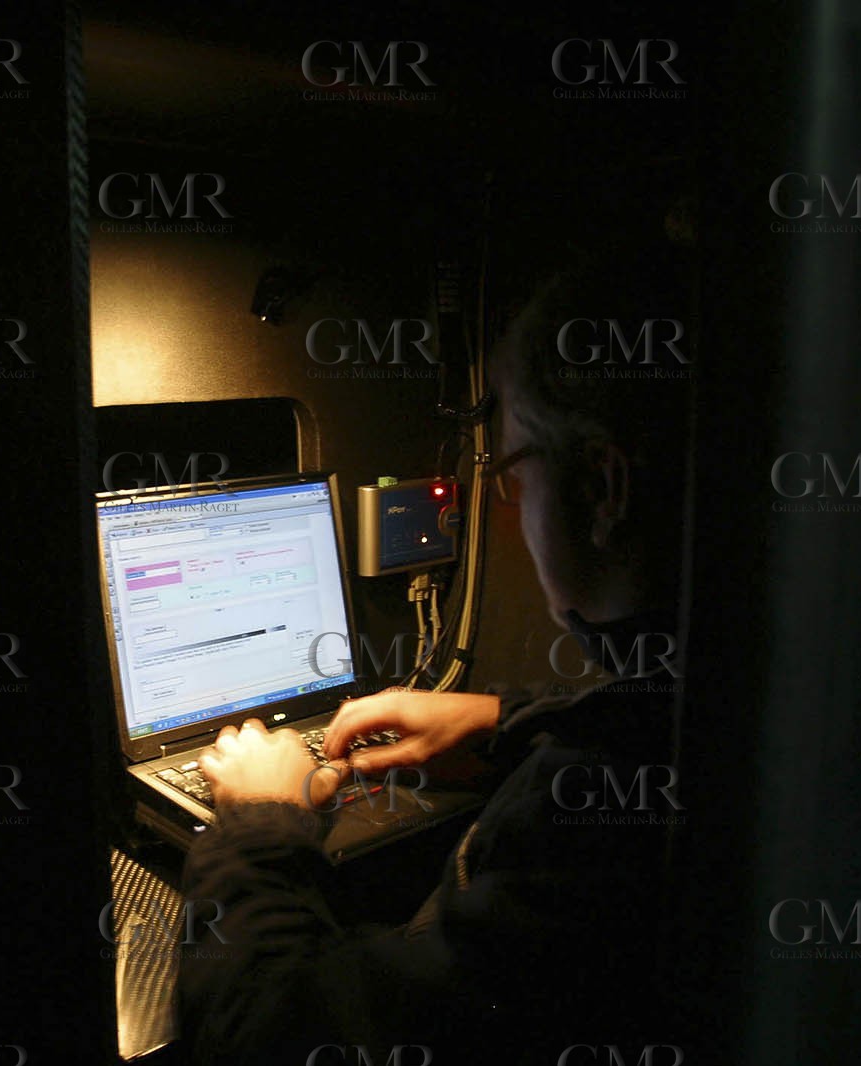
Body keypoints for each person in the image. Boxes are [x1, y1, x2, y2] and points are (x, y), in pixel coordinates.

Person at [179, 244, 693, 1064]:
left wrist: (259, 827)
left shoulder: (590, 831)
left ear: (603, 488)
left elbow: (269, 1035)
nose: (513, 513)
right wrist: (506, 725)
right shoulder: (760, 691)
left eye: (516, 474)